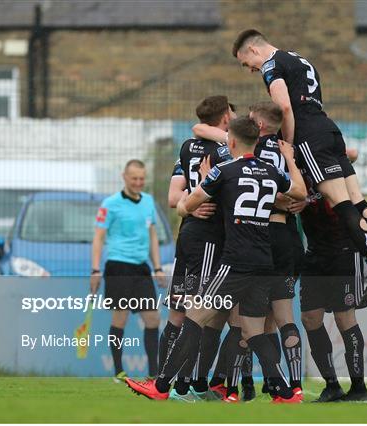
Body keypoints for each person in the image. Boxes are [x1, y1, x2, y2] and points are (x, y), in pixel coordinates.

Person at [126, 116, 306, 403]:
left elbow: (187, 205)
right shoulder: (271, 171)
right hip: (264, 261)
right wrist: (290, 160)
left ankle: (160, 387)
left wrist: (189, 201)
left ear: (231, 141)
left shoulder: (223, 171)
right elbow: (299, 192)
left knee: (194, 318)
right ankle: (286, 391)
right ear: (257, 143)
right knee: (253, 331)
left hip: (234, 264)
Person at [232, 29, 367, 303]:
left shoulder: (271, 65)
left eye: (245, 63)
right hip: (330, 130)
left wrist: (288, 145)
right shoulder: (301, 60)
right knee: (358, 200)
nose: (250, 69)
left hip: (309, 137)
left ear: (253, 50)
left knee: (341, 204)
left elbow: (285, 109)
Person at [192, 101, 304, 401]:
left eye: (252, 119)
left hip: (253, 238)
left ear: (260, 127)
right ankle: (291, 386)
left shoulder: (239, 157)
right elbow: (295, 195)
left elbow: (200, 128)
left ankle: (233, 387)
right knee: (278, 318)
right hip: (284, 239)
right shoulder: (284, 150)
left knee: (238, 320)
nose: (247, 121)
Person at [161, 95, 234, 401]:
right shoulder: (227, 151)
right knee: (199, 314)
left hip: (187, 235)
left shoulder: (187, 147)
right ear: (226, 118)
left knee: (179, 313)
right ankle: (181, 385)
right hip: (207, 238)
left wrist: (189, 203)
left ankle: (163, 378)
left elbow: (172, 197)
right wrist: (198, 201)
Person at [290, 161, 367, 402]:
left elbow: (351, 154)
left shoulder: (327, 158)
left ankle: (358, 388)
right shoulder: (294, 166)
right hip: (315, 253)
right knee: (309, 318)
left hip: (344, 250)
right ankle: (332, 385)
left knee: (344, 318)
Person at [90, 159, 166, 382]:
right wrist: (95, 270)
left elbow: (152, 235)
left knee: (152, 318)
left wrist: (158, 267)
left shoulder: (149, 201)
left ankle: (154, 373)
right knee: (120, 318)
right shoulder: (110, 204)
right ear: (124, 177)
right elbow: (98, 237)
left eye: (142, 179)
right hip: (118, 265)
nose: (138, 182)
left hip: (141, 268)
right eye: (134, 178)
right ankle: (118, 372)